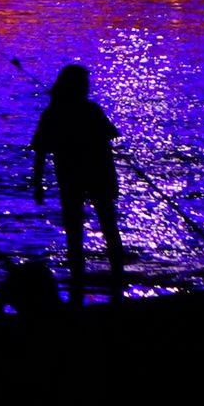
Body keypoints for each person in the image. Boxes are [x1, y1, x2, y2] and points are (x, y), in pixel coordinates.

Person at [29, 63, 128, 267]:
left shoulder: (53, 113)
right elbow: (109, 136)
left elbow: (40, 150)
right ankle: (117, 271)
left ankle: (78, 273)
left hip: (70, 176)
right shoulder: (90, 110)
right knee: (108, 224)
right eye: (84, 83)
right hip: (97, 173)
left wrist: (38, 184)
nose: (87, 87)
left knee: (74, 228)